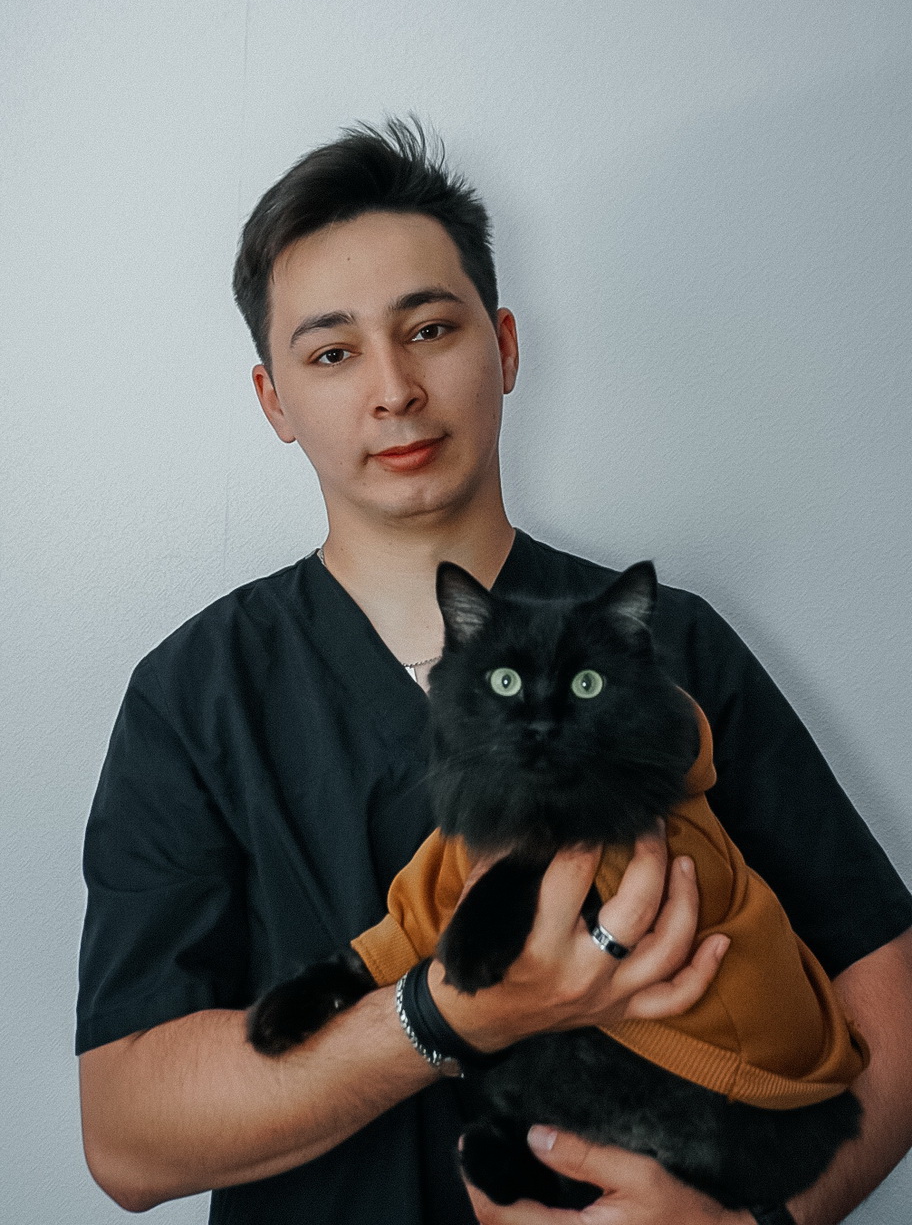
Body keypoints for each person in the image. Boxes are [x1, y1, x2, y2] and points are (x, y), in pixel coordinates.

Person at [77, 119, 912, 1225]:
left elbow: (888, 986)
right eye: (332, 353)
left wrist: (758, 1223)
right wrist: (442, 1016)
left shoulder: (672, 644)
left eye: (430, 329)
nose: (395, 389)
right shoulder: (194, 696)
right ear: (274, 400)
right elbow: (127, 1136)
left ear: (505, 347)